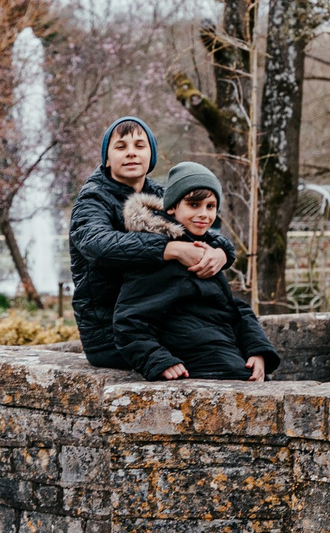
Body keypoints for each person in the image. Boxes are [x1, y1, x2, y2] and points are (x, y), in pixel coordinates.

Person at [69, 117, 227, 369]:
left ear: (151, 156)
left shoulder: (161, 195)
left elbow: (199, 229)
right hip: (114, 336)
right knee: (218, 357)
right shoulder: (92, 201)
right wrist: (170, 249)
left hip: (160, 322)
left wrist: (221, 252)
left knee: (227, 345)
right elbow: (98, 245)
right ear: (107, 159)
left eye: (140, 146)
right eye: (121, 147)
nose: (131, 153)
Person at [112, 163, 278, 382]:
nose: (203, 214)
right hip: (198, 366)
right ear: (172, 207)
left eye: (210, 207)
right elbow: (128, 321)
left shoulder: (207, 250)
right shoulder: (160, 255)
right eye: (193, 204)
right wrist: (158, 360)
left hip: (227, 359)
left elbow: (233, 309)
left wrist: (258, 351)